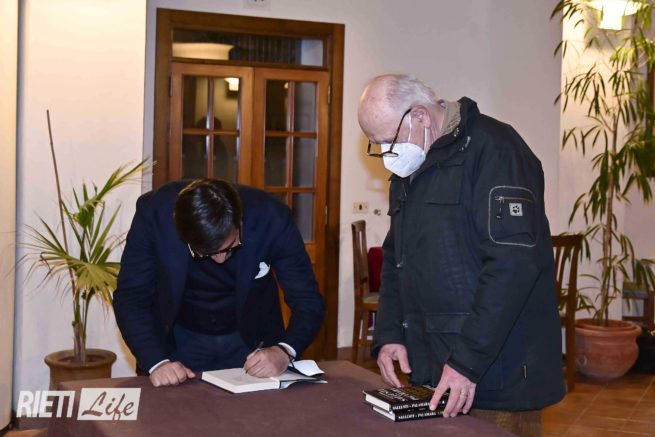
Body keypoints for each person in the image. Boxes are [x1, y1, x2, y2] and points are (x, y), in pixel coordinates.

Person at [357, 74, 564, 436]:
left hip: (495, 376)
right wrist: (390, 333)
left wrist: (466, 362)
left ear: (420, 116)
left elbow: (512, 266)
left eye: (389, 141)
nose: (387, 154)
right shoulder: (413, 162)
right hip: (433, 366)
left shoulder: (496, 149)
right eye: (378, 145)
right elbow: (396, 257)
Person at [113, 178, 325, 387]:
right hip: (180, 340)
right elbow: (131, 297)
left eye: (230, 247)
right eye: (206, 253)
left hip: (253, 343)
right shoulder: (154, 214)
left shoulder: (271, 217)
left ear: (240, 221)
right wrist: (156, 362)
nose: (220, 259)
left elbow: (307, 300)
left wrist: (285, 351)